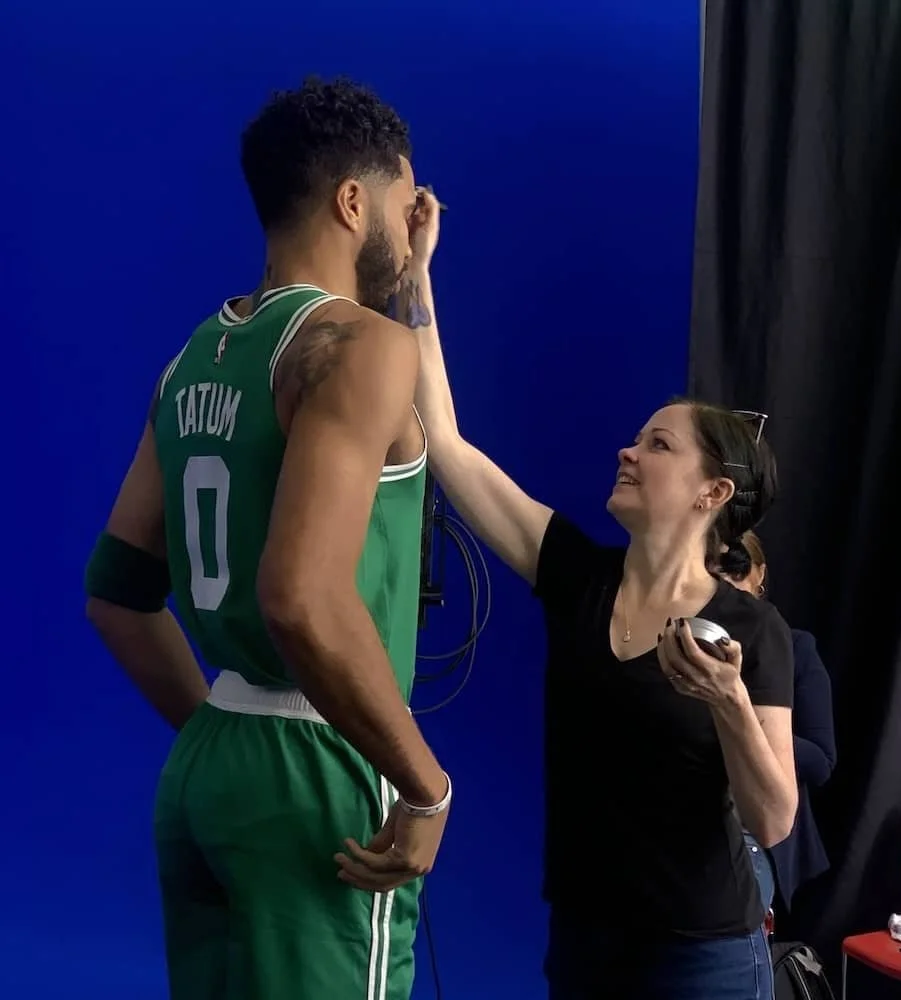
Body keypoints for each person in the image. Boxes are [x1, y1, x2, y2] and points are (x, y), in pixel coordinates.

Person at [83, 76, 452, 1000]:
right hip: (323, 769)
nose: (415, 224)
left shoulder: (192, 359)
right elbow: (300, 596)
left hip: (209, 765)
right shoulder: (363, 346)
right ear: (353, 202)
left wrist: (219, 729)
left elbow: (117, 590)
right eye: (406, 202)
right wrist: (424, 786)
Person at [389, 190, 798, 1000]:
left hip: (704, 958)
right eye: (637, 439)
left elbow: (772, 819)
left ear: (712, 493)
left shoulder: (751, 629)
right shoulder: (577, 573)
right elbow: (446, 443)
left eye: (658, 445)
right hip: (585, 942)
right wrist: (418, 275)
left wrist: (729, 703)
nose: (628, 452)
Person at [719, 532, 837, 926]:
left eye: (737, 572)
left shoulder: (795, 648)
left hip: (756, 833)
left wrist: (744, 719)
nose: (728, 588)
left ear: (760, 576)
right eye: (715, 576)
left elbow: (821, 762)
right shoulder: (679, 645)